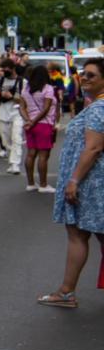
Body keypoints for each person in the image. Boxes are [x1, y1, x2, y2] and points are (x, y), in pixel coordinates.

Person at [40, 59, 104, 308]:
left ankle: (66, 292)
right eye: (82, 73)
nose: (84, 78)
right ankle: (66, 292)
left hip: (92, 183)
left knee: (80, 234)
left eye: (91, 74)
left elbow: (94, 147)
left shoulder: (99, 108)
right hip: (91, 182)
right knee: (81, 233)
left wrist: (74, 179)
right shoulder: (95, 105)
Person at [24, 64, 61, 194]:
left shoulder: (26, 88)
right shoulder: (48, 88)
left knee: (30, 154)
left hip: (29, 125)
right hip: (44, 124)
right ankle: (43, 185)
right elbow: (46, 108)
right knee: (43, 156)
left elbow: (22, 107)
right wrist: (35, 121)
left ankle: (30, 183)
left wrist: (29, 121)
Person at [0, 60, 24, 174]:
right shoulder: (0, 81)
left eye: (6, 68)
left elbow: (26, 99)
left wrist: (12, 96)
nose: (3, 71)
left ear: (13, 68)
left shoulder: (22, 82)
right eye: (2, 68)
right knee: (5, 141)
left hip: (17, 112)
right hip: (3, 112)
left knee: (17, 138)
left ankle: (15, 164)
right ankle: (12, 161)